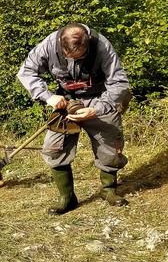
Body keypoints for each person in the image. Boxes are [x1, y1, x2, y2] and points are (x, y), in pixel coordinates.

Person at [17, 22, 132, 215]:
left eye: (80, 57)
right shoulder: (48, 45)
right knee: (53, 149)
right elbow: (26, 72)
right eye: (69, 56)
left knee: (111, 149)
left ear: (87, 45)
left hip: (100, 99)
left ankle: (108, 191)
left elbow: (119, 83)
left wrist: (96, 109)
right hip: (66, 102)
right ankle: (67, 198)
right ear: (62, 45)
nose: (73, 61)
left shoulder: (101, 45)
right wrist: (48, 97)